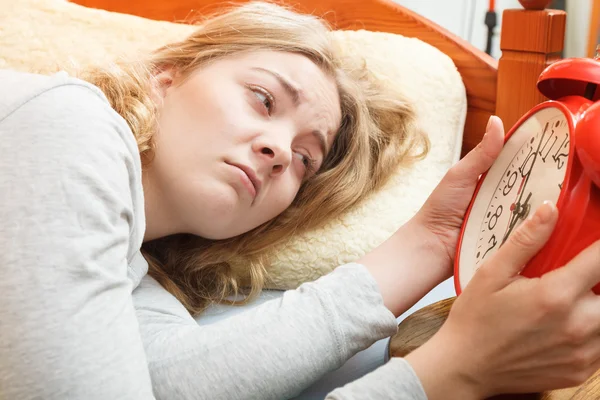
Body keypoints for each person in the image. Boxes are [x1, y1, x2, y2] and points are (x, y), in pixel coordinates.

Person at [1, 2, 600, 399]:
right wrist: (456, 370)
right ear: (168, 77)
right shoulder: (68, 123)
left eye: (306, 159)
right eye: (263, 99)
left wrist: (434, 241)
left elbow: (178, 383)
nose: (281, 150)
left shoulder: (136, 282)